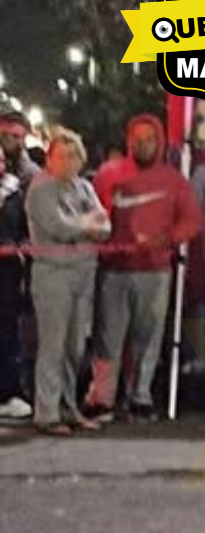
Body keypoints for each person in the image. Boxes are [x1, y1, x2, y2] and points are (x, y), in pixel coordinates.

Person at [85, 113, 201, 422]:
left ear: (159, 142)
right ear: (128, 141)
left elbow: (191, 220)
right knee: (108, 336)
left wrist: (166, 239)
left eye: (149, 139)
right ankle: (102, 397)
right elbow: (92, 213)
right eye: (137, 139)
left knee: (147, 336)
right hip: (114, 269)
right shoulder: (109, 174)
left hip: (155, 271)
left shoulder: (174, 181)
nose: (143, 145)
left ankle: (140, 395)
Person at [25, 129, 111, 436]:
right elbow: (57, 228)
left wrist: (84, 225)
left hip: (83, 273)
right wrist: (87, 224)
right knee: (53, 345)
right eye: (60, 156)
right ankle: (47, 412)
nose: (67, 162)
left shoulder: (84, 187)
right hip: (54, 274)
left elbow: (105, 226)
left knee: (75, 346)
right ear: (49, 159)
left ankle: (68, 408)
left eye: (73, 156)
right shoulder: (41, 188)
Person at [0, 110, 40, 420]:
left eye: (18, 136)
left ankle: (8, 390)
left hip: (9, 271)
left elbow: (28, 222)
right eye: (8, 136)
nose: (13, 142)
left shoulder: (25, 178)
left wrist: (25, 246)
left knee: (8, 329)